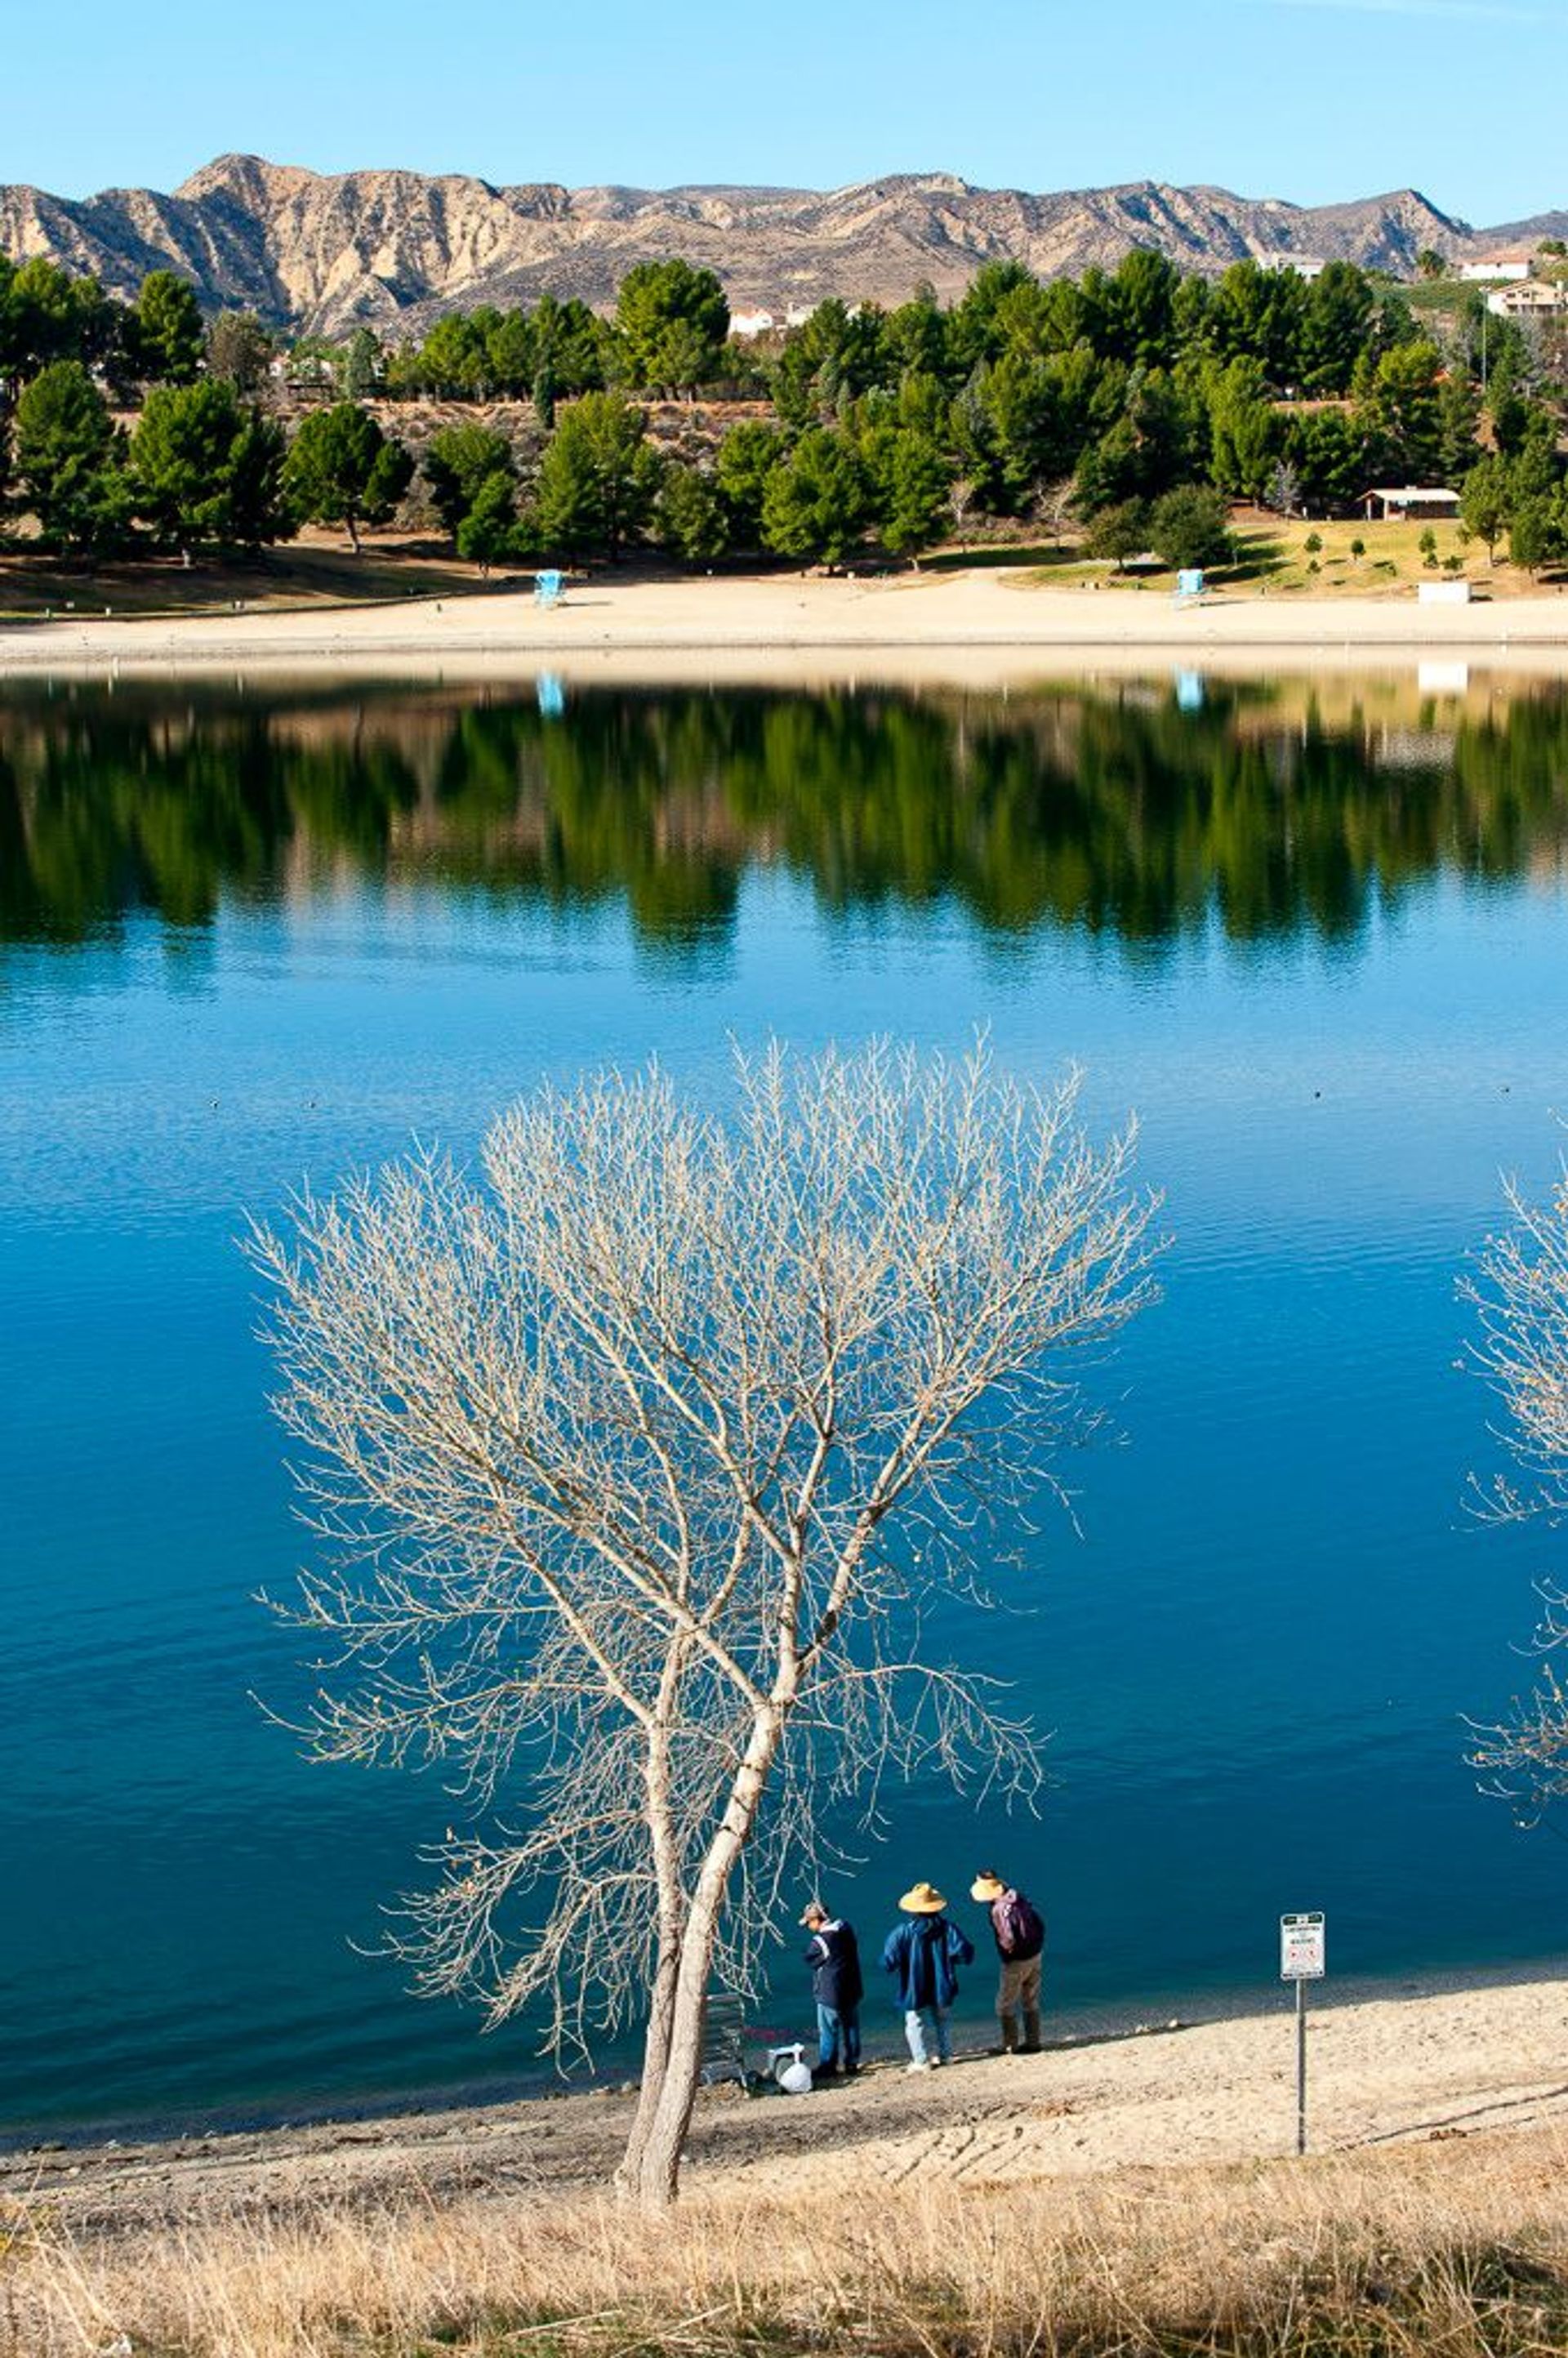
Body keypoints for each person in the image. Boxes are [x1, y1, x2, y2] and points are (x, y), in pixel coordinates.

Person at [880, 1880, 974, 2071]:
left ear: (913, 1909)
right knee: (943, 2020)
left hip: (914, 1986)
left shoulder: (902, 1932)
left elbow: (888, 1962)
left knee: (914, 2023)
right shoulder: (948, 1929)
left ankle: (921, 2061)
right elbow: (965, 1952)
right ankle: (946, 2055)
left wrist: (893, 1964)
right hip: (941, 1984)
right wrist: (951, 1960)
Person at [970, 1869, 1045, 2053]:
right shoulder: (1017, 1897)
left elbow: (1008, 1938)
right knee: (1030, 1998)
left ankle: (1010, 2044)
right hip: (1035, 1954)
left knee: (1004, 2004)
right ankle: (1033, 2042)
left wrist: (1008, 1955)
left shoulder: (998, 1910)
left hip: (1016, 1961)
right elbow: (1040, 1922)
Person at [800, 1898, 863, 2077]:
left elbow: (810, 1959)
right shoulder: (846, 1928)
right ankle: (852, 2063)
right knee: (851, 2027)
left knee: (828, 2031)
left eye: (808, 1922)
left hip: (830, 1993)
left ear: (816, 1920)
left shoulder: (820, 1941)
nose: (808, 1926)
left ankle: (829, 2066)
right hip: (852, 1988)